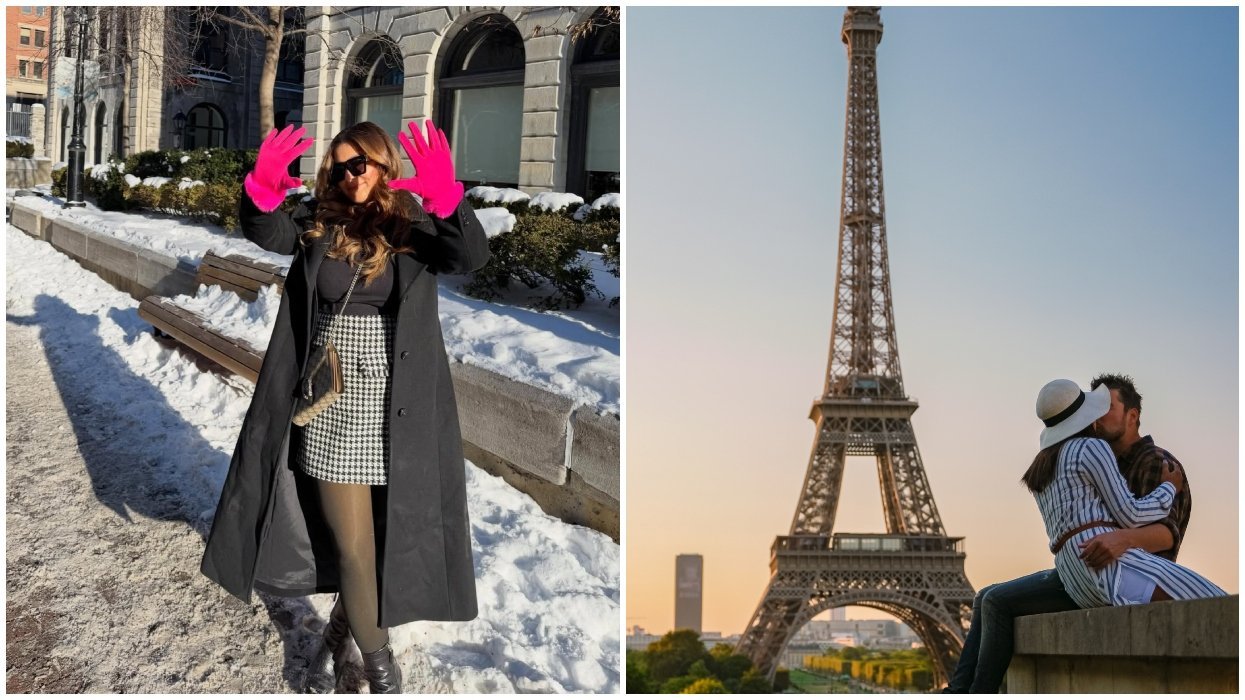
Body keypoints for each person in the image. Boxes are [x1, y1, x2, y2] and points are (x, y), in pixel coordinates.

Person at [199, 120, 490, 693]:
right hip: (333, 405)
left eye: (361, 164)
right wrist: (259, 190)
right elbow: (267, 231)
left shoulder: (411, 223)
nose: (350, 175)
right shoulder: (316, 220)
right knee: (356, 548)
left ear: (385, 165)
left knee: (384, 533)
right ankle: (381, 670)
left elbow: (467, 257)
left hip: (400, 405)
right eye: (339, 165)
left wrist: (448, 199)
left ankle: (340, 629)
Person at [944, 374, 1217, 693]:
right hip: (1104, 563)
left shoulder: (1043, 464)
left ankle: (963, 693)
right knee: (1212, 603)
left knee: (989, 598)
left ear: (1133, 415)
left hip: (1072, 569)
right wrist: (1169, 488)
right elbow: (1131, 514)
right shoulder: (1091, 449)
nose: (1099, 415)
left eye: (1107, 407)